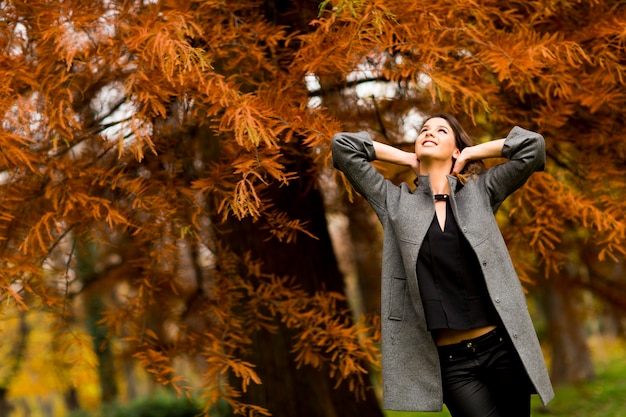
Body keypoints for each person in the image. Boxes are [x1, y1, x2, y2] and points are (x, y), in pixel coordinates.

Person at [331, 113, 554, 417]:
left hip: (502, 348)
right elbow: (342, 146)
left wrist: (472, 153)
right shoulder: (394, 203)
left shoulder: (480, 193)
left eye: (441, 130)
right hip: (452, 363)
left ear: (456, 148)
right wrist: (407, 158)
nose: (429, 133)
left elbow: (533, 146)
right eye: (423, 130)